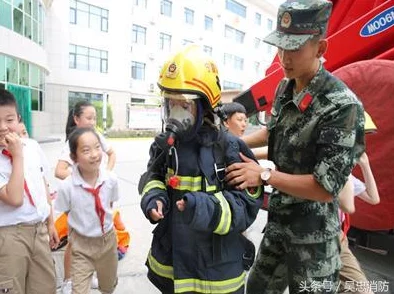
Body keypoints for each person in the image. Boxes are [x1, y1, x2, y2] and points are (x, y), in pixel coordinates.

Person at [225, 1, 365, 293]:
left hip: (313, 239)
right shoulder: (284, 87)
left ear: (320, 48)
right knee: (258, 289)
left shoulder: (342, 105)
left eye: (295, 48)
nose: (284, 58)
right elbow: (272, 131)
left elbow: (326, 187)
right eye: (281, 47)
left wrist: (263, 175)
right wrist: (230, 141)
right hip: (279, 224)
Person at [138, 45, 263, 294]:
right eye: (169, 103)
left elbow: (245, 208)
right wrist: (153, 198)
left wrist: (199, 207)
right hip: (172, 267)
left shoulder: (229, 148)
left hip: (216, 277)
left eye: (183, 105)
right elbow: (152, 177)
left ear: (205, 107)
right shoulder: (165, 146)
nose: (174, 112)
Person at [0, 89, 59, 293]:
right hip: (9, 237)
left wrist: (50, 223)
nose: (3, 127)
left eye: (9, 119)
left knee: (45, 286)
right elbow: (14, 198)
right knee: (12, 288)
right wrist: (17, 156)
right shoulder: (19, 152)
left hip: (39, 230)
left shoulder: (32, 146)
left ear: (18, 118)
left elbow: (42, 186)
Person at [55, 100, 116, 293]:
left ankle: (93, 273)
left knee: (109, 281)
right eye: (88, 118)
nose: (92, 121)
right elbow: (59, 171)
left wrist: (103, 176)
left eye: (94, 118)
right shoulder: (72, 143)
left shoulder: (97, 138)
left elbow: (112, 154)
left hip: (105, 235)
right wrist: (82, 184)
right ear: (76, 119)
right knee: (75, 240)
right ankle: (68, 280)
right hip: (79, 209)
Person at [338, 151, 380, 294]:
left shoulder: (346, 174)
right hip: (320, 234)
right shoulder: (333, 169)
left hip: (336, 238)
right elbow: (348, 206)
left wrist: (365, 164)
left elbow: (373, 198)